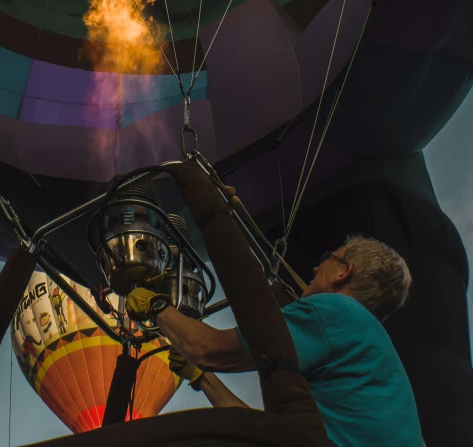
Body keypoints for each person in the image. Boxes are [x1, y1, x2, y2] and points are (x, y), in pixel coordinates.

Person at [127, 170, 424, 447]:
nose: (316, 266)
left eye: (328, 258)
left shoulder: (334, 312)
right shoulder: (371, 354)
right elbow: (268, 433)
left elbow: (209, 349)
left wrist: (155, 306)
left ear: (343, 272)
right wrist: (201, 378)